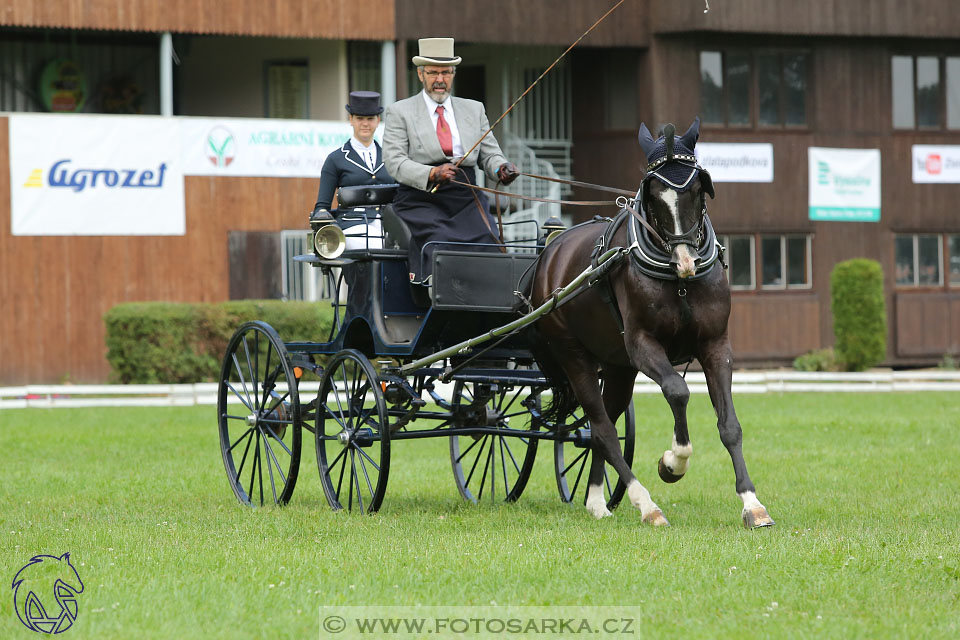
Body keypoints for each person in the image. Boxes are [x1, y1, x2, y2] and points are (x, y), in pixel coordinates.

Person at [383, 37, 519, 283]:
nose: (439, 79)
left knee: (491, 244)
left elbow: (489, 152)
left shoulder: (473, 109)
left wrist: (501, 167)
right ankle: (439, 306)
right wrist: (432, 174)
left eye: (445, 72)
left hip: (466, 197)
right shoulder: (400, 112)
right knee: (441, 247)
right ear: (420, 75)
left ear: (453, 74)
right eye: (433, 72)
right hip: (421, 199)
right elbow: (394, 161)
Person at [313, 90, 394, 250]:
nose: (365, 124)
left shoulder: (391, 157)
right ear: (351, 119)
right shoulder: (335, 159)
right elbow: (322, 206)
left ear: (378, 120)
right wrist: (321, 214)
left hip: (389, 224)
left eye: (370, 119)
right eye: (360, 118)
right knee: (380, 245)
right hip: (353, 225)